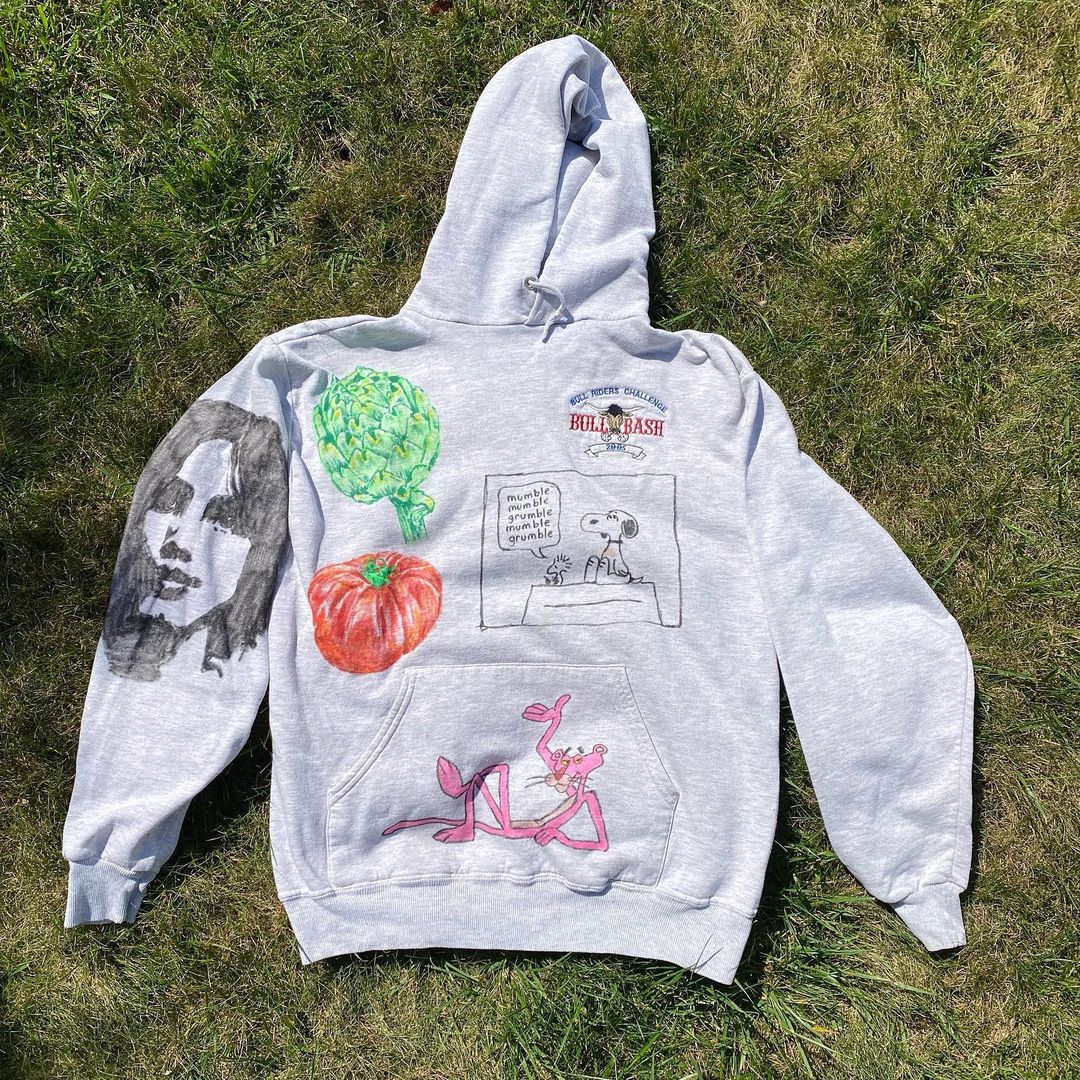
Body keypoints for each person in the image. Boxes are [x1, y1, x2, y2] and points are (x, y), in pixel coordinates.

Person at [102, 398, 287, 681]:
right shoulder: (122, 645)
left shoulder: (231, 659)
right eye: (170, 502)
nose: (179, 542)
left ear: (264, 542)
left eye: (223, 518)